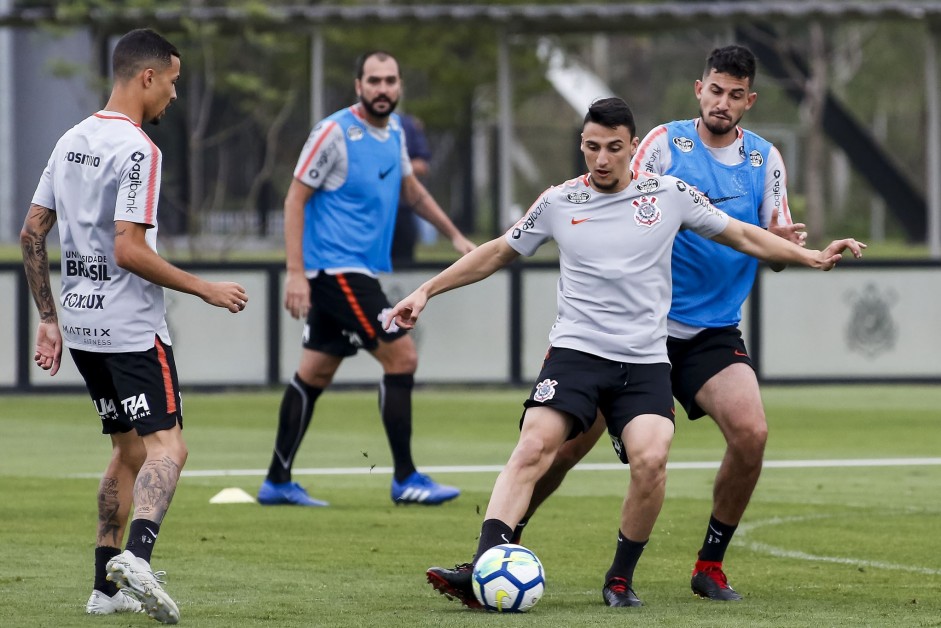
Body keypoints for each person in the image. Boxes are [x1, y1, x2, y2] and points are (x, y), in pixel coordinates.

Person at [390, 97, 863, 609]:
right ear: (582, 146)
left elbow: (746, 235)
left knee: (652, 458)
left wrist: (811, 256)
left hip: (643, 361)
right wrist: (426, 292)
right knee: (535, 448)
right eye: (592, 147)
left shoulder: (670, 196)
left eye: (614, 148)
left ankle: (619, 579)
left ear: (632, 149)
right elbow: (497, 252)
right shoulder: (559, 201)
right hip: (576, 353)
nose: (601, 159)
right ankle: (484, 569)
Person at [512, 44, 804, 602]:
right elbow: (619, 199)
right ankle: (506, 541)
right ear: (700, 89)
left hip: (712, 332)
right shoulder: (665, 145)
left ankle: (709, 566)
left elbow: (772, 239)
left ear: (750, 100)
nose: (722, 102)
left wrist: (786, 248)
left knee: (752, 434)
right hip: (639, 331)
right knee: (567, 448)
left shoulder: (766, 159)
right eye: (715, 90)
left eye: (734, 95)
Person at [20, 28, 248, 624]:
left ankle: (104, 587)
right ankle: (139, 559)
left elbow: (31, 232)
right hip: (130, 327)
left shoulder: (71, 139)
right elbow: (129, 250)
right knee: (169, 447)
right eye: (172, 82)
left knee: (126, 451)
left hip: (83, 326)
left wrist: (49, 320)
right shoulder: (140, 149)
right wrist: (206, 288)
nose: (174, 94)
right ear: (146, 77)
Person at [257, 50, 476, 508]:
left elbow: (410, 190)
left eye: (390, 80)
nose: (382, 89)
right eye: (373, 80)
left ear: (399, 87)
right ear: (358, 85)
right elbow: (294, 200)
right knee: (402, 357)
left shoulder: (394, 131)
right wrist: (295, 273)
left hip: (351, 271)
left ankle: (277, 481)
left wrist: (456, 236)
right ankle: (405, 478)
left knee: (313, 372)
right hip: (337, 272)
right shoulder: (334, 132)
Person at [390, 112, 433, 262]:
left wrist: (455, 236)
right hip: (368, 216)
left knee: (403, 264)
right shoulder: (347, 126)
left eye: (390, 85)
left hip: (402, 212)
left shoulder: (407, 125)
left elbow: (422, 165)